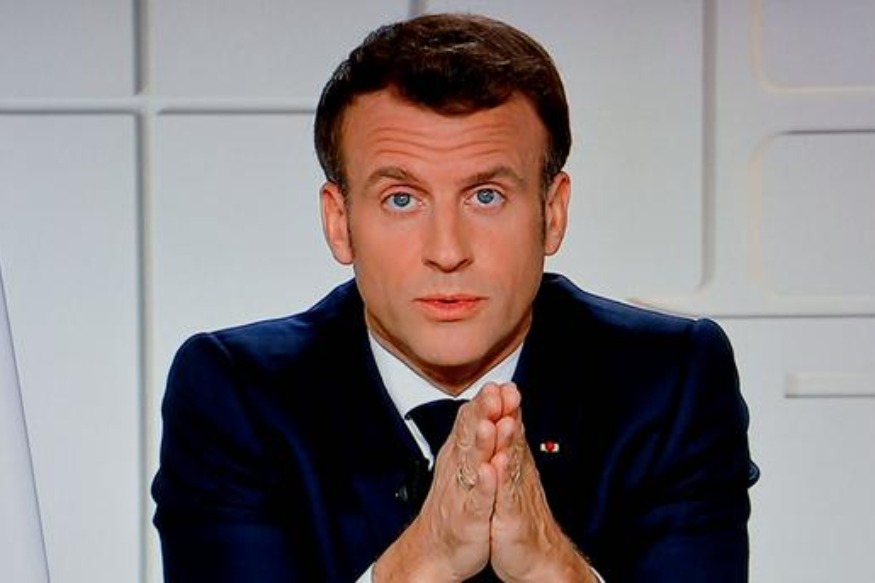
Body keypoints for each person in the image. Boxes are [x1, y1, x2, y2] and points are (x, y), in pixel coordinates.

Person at [151, 12, 758, 583]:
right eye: (402, 199)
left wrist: (550, 566)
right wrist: (424, 558)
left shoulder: (670, 382)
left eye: (486, 196)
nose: (447, 251)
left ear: (552, 213)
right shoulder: (238, 393)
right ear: (340, 222)